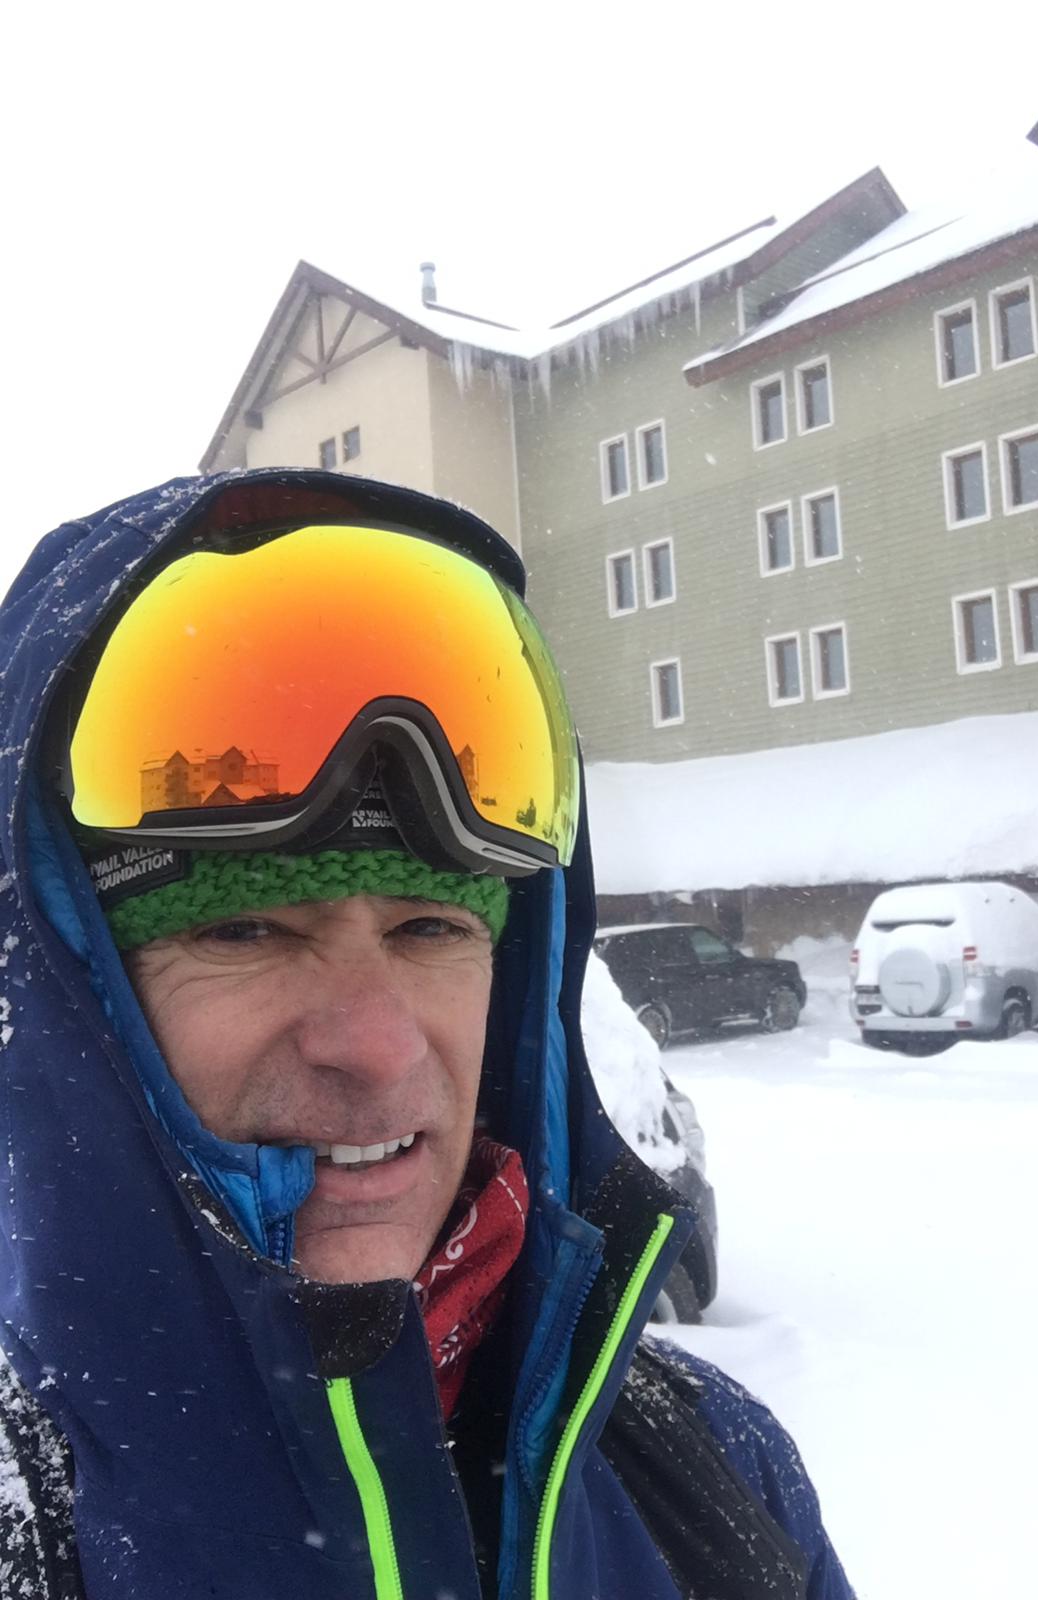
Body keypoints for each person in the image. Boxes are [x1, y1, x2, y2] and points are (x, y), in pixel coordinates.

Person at [0, 467, 854, 1599]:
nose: (380, 1045)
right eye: (246, 930)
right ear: (78, 1011)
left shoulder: (711, 1479)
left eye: (428, 926)